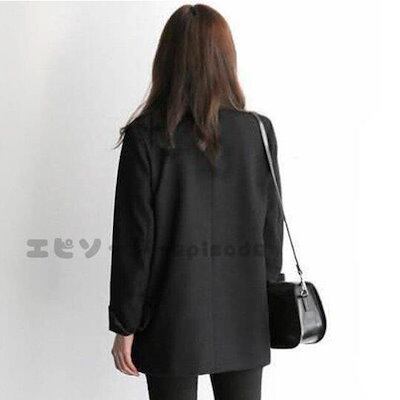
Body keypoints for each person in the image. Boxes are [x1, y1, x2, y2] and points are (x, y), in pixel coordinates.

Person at [108, 4, 284, 400]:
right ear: (226, 58)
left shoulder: (146, 136)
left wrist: (125, 323)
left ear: (166, 59)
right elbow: (270, 230)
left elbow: (135, 241)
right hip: (245, 313)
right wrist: (267, 295)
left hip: (170, 315)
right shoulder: (257, 131)